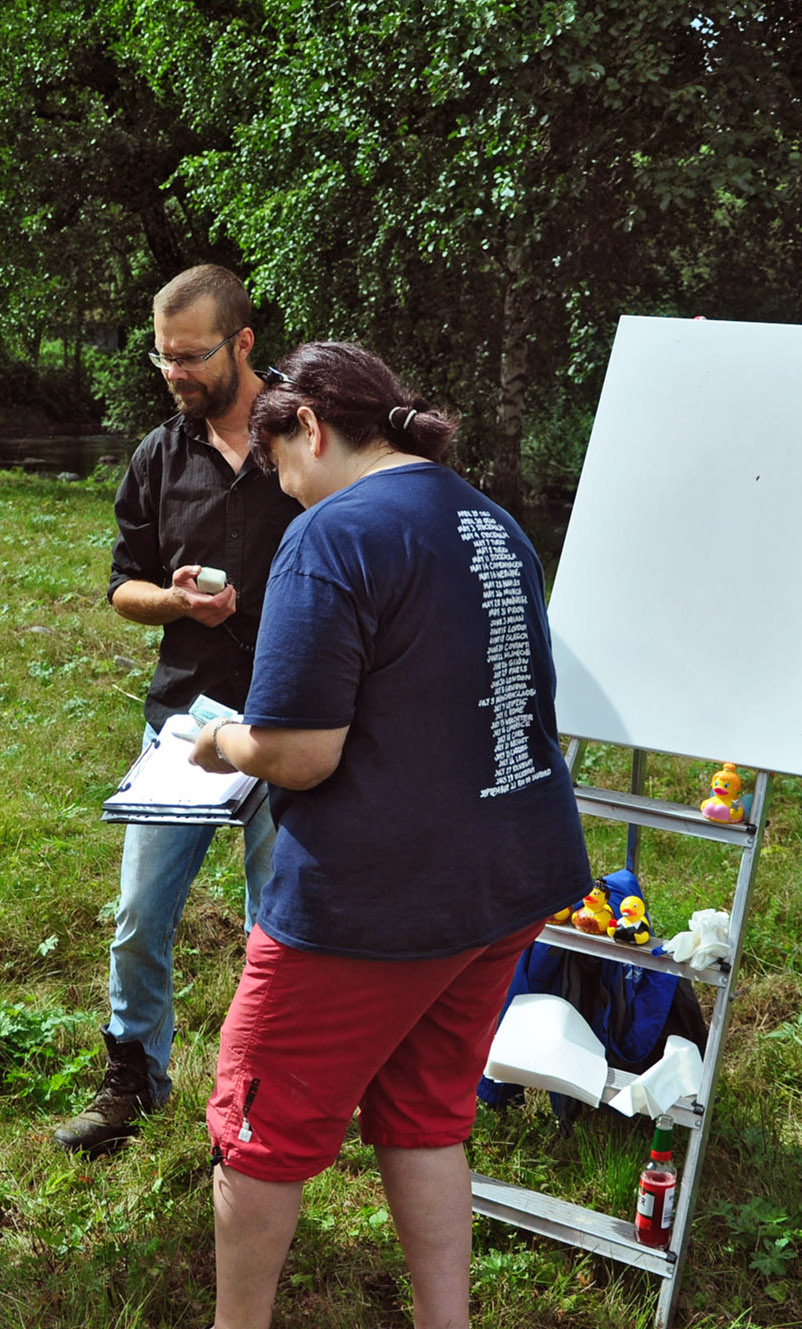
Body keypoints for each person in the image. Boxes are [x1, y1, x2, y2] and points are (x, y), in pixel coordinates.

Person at [188, 343, 590, 1328]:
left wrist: (218, 741)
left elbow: (300, 751)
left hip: (372, 900)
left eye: (278, 465)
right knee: (425, 1117)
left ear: (311, 429)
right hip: (505, 878)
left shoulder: (332, 535)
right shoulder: (491, 523)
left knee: (258, 1130)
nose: (284, 491)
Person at [52, 266, 304, 1155]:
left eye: (192, 356)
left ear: (242, 343)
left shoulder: (309, 438)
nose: (176, 375)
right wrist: (175, 603)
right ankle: (133, 1082)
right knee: (137, 917)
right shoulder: (160, 455)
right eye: (163, 359)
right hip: (187, 721)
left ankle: (261, 1091)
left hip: (295, 718)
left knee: (274, 924)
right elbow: (124, 587)